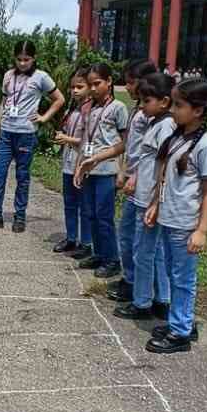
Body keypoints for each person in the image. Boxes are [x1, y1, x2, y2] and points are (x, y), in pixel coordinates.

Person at [143, 79, 207, 353]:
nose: (173, 110)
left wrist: (201, 230)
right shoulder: (178, 136)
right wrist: (156, 204)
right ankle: (181, 320)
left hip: (185, 224)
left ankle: (181, 332)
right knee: (173, 274)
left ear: (198, 110)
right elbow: (164, 177)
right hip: (168, 218)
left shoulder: (204, 145)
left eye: (179, 105)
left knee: (183, 278)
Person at [0, 38, 64, 233]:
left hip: (25, 134)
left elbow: (59, 99)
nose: (22, 63)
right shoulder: (8, 75)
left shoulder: (41, 77)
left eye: (26, 59)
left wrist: (44, 117)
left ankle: (20, 216)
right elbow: (4, 102)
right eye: (19, 59)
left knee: (22, 176)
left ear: (34, 58)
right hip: (6, 132)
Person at [114, 75, 175, 321]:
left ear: (164, 101)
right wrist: (136, 176)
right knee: (153, 251)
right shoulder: (154, 123)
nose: (141, 106)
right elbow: (147, 160)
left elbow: (166, 167)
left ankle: (142, 303)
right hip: (144, 197)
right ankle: (161, 300)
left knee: (143, 252)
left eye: (146, 101)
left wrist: (155, 201)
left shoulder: (166, 127)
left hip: (150, 200)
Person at [110, 58, 159, 302]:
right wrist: (122, 170)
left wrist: (136, 175)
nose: (127, 87)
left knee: (138, 239)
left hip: (145, 183)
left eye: (131, 83)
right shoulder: (138, 110)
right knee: (127, 234)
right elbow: (129, 145)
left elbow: (153, 153)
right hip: (132, 178)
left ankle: (140, 288)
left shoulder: (153, 115)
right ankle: (132, 280)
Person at [72, 62, 129, 275]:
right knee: (90, 214)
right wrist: (79, 167)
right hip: (89, 169)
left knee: (104, 216)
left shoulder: (118, 108)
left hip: (107, 169)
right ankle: (98, 253)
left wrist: (122, 172)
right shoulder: (89, 108)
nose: (94, 88)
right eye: (91, 85)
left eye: (98, 83)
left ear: (109, 81)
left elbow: (125, 143)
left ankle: (112, 259)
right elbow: (84, 140)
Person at [51, 66, 93, 255]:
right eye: (72, 87)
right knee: (69, 202)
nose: (75, 91)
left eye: (80, 87)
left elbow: (88, 139)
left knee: (84, 205)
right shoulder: (72, 108)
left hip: (83, 162)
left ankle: (86, 242)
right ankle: (71, 237)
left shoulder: (91, 110)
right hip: (68, 161)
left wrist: (67, 139)